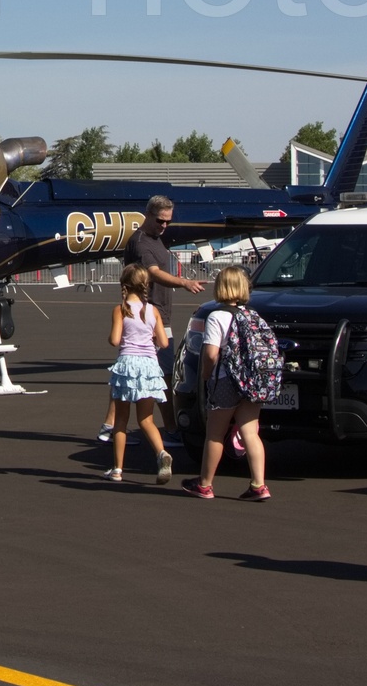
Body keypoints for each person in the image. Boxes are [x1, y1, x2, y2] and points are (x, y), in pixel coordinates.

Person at [111, 196, 203, 441]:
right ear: (148, 215)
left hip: (156, 315)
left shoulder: (154, 239)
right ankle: (169, 429)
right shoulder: (142, 243)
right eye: (160, 221)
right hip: (150, 317)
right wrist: (184, 282)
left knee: (154, 376)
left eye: (168, 222)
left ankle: (112, 425)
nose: (164, 226)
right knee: (161, 376)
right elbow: (152, 273)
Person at [181, 266, 269, 502]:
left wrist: (206, 376)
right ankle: (259, 485)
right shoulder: (252, 315)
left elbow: (210, 354)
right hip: (252, 382)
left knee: (215, 435)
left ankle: (205, 484)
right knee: (251, 432)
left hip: (225, 381)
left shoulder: (217, 316)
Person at [104, 264, 174, 485]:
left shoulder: (120, 309)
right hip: (149, 366)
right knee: (146, 419)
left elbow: (115, 340)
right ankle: (161, 453)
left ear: (124, 284)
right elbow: (163, 342)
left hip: (127, 365)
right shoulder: (152, 310)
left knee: (121, 420)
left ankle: (117, 469)